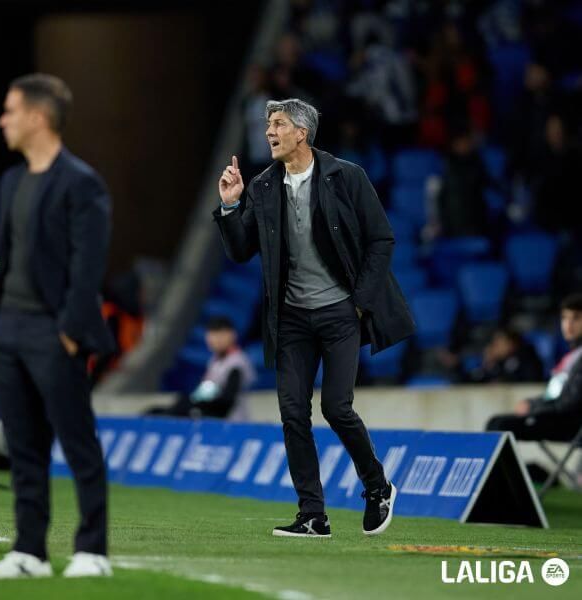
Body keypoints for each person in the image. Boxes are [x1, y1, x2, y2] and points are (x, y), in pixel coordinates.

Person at [214, 98, 414, 539]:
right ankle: (312, 515)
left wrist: (359, 302)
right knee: (292, 414)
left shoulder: (347, 177)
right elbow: (242, 250)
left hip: (341, 313)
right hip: (291, 319)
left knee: (336, 408)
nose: (269, 131)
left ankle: (377, 486)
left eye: (278, 124)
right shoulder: (264, 185)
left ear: (301, 133)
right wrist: (230, 206)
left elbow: (382, 239)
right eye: (268, 124)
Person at [0, 73, 114, 580]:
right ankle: (29, 551)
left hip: (54, 333)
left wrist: (71, 330)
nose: (2, 119)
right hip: (7, 331)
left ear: (38, 117)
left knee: (78, 442)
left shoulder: (81, 182)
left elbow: (88, 264)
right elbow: (2, 252)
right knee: (23, 446)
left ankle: (92, 550)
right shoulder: (11, 181)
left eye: (10, 110)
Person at [486, 294, 582, 441]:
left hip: (571, 423)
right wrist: (534, 404)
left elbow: (571, 403)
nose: (568, 325)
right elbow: (555, 395)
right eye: (564, 318)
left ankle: (508, 465)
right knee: (496, 423)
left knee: (500, 425)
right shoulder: (571, 357)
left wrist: (533, 408)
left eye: (575, 318)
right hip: (557, 416)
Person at [147, 316, 256, 419]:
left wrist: (196, 405)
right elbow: (206, 391)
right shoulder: (215, 361)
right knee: (155, 411)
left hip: (229, 421)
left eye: (220, 335)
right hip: (209, 414)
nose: (216, 340)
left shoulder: (236, 363)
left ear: (232, 335)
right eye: (212, 335)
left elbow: (227, 400)